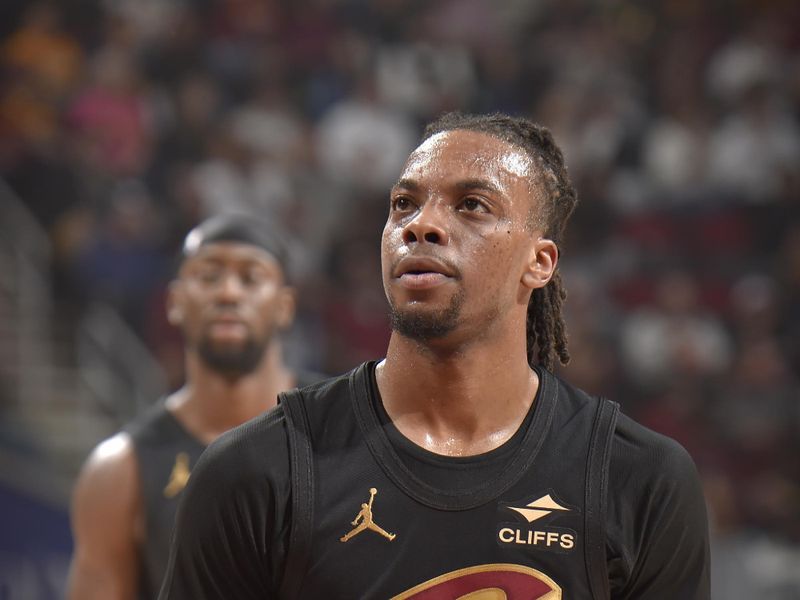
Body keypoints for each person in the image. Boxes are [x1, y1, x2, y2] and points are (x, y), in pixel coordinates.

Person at [159, 113, 710, 599]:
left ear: (539, 262)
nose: (421, 225)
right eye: (404, 204)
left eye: (472, 206)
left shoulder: (639, 480)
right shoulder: (255, 472)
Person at [67, 213, 320, 600]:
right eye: (208, 276)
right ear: (174, 301)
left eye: (250, 278)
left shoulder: (343, 425)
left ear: (285, 307)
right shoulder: (120, 469)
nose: (229, 294)